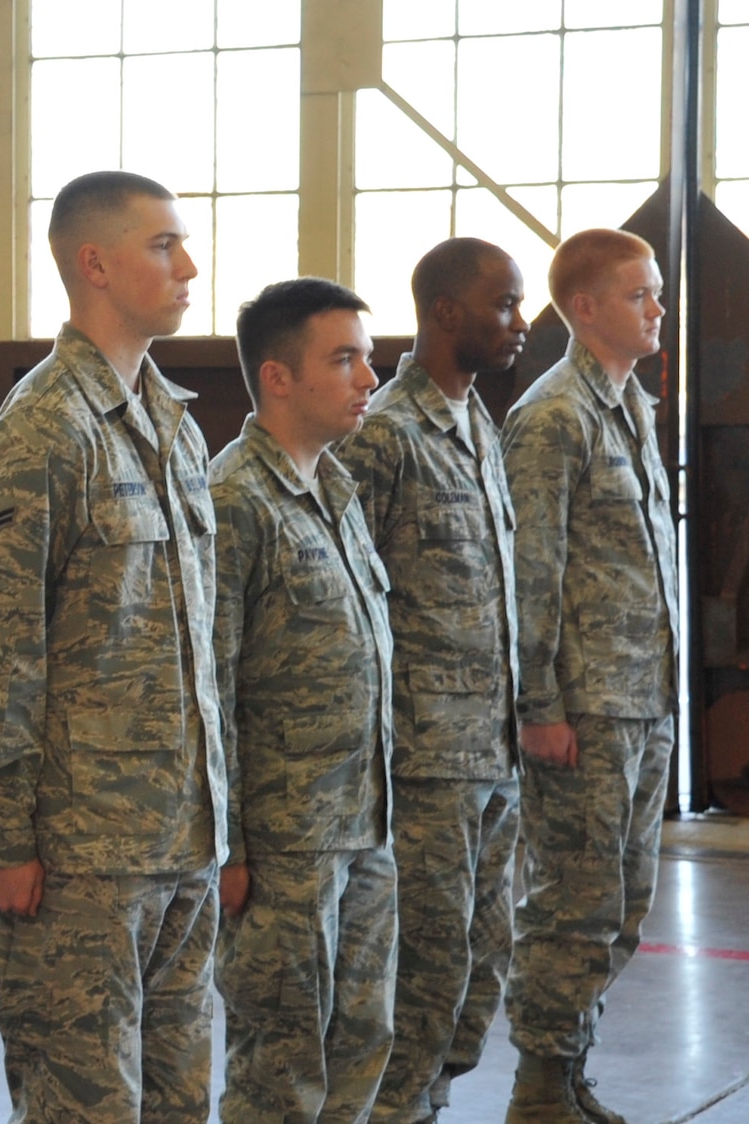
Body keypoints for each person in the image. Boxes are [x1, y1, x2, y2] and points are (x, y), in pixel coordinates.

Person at [0, 170, 227, 1123]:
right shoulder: (45, 429)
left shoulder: (173, 424)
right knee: (82, 1107)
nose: (188, 267)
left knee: (180, 1102)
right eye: (163, 246)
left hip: (180, 840)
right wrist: (0, 839)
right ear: (94, 264)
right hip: (80, 859)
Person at [337, 238, 528, 1123]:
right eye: (504, 304)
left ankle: (428, 1102)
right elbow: (344, 596)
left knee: (481, 964)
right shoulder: (385, 434)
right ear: (447, 312)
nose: (519, 322)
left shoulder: (480, 426)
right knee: (423, 968)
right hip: (421, 763)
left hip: (492, 751)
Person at [500, 229, 679, 1124]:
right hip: (587, 708)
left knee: (623, 905)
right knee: (574, 903)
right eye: (640, 294)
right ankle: (538, 1089)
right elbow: (531, 571)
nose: (658, 308)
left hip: (643, 700)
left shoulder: (630, 404)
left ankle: (568, 1072)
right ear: (584, 307)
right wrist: (539, 705)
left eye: (657, 292)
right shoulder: (553, 416)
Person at [211, 277, 396, 1124]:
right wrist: (229, 847)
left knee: (361, 1039)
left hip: (361, 823)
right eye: (345, 359)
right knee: (281, 1065)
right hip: (285, 843)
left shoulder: (335, 490)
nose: (370, 378)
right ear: (278, 377)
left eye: (368, 357)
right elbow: (210, 687)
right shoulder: (233, 501)